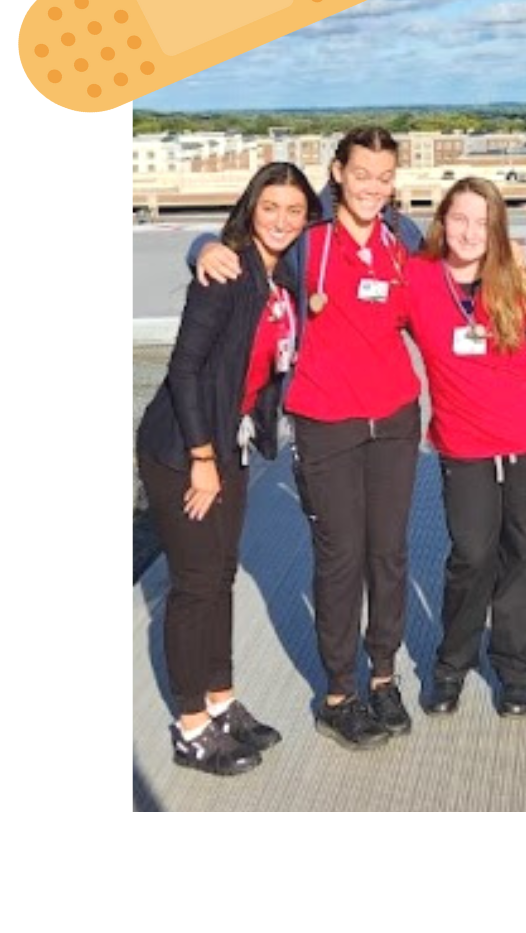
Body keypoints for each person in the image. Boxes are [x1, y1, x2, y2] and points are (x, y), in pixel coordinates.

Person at [194, 127, 425, 750]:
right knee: (341, 557)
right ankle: (339, 693)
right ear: (338, 173)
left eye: (384, 176)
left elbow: (456, 278)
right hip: (326, 422)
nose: (373, 187)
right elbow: (242, 245)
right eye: (361, 175)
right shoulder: (309, 240)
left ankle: (383, 677)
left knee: (390, 553)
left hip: (398, 419)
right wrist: (199, 247)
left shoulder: (403, 239)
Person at [137, 162, 321, 775]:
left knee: (219, 578)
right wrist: (202, 460)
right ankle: (191, 729)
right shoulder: (227, 273)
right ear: (250, 207)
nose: (282, 220)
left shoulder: (283, 275)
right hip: (185, 449)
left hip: (230, 442)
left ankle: (221, 702)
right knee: (194, 586)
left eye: (294, 211)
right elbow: (184, 370)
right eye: (270, 207)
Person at [404, 177, 526, 717]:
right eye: (460, 219)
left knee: (524, 556)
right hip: (462, 444)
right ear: (442, 221)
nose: (469, 232)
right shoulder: (417, 279)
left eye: (481, 222)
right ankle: (451, 663)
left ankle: (516, 669)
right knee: (471, 555)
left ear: (496, 229)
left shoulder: (518, 278)